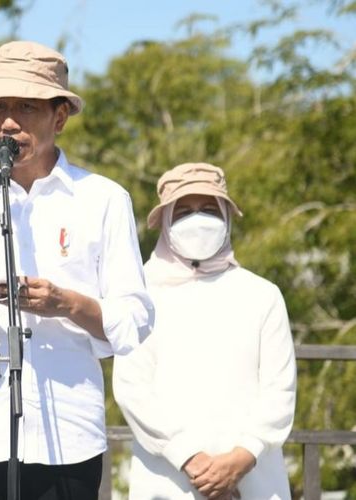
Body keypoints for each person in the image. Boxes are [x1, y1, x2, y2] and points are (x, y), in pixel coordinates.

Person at [0, 40, 153, 500]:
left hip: (68, 436)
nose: (9, 121)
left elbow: (135, 321)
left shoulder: (103, 199)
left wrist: (67, 304)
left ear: (59, 117)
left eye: (26, 106)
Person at [113, 162, 297, 499]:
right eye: (183, 212)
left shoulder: (261, 294)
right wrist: (191, 460)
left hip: (255, 479)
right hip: (167, 482)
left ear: (227, 217)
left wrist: (241, 459)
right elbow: (132, 389)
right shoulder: (141, 295)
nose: (198, 220)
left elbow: (280, 392)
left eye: (210, 209)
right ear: (165, 223)